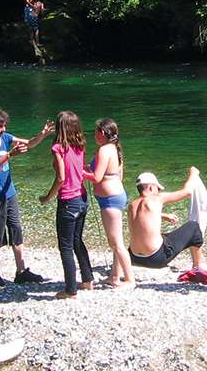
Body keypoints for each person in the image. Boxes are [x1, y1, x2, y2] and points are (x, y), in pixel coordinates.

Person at [0, 108, 54, 286]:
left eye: (4, 126)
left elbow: (29, 143)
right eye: (0, 126)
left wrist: (42, 135)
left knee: (16, 230)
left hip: (10, 194)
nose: (3, 129)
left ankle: (21, 271)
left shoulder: (6, 138)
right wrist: (10, 155)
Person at [39, 111, 93, 299]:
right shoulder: (80, 146)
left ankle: (70, 290)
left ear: (60, 127)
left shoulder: (58, 148)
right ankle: (87, 280)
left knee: (66, 246)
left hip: (68, 201)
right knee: (77, 240)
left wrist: (47, 197)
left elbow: (61, 177)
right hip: (82, 198)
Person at [84, 118, 135, 289]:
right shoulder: (114, 149)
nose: (94, 135)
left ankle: (129, 279)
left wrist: (78, 171)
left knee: (116, 242)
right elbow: (117, 175)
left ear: (103, 133)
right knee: (115, 241)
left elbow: (97, 177)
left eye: (96, 132)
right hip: (115, 195)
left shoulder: (104, 150)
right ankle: (115, 276)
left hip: (110, 199)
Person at [128, 169, 207, 270]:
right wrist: (194, 174)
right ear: (151, 187)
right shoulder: (157, 198)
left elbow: (142, 218)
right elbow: (187, 192)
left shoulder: (132, 205)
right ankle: (197, 266)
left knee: (160, 236)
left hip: (133, 258)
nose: (159, 191)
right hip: (156, 259)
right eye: (158, 189)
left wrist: (163, 214)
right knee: (193, 227)